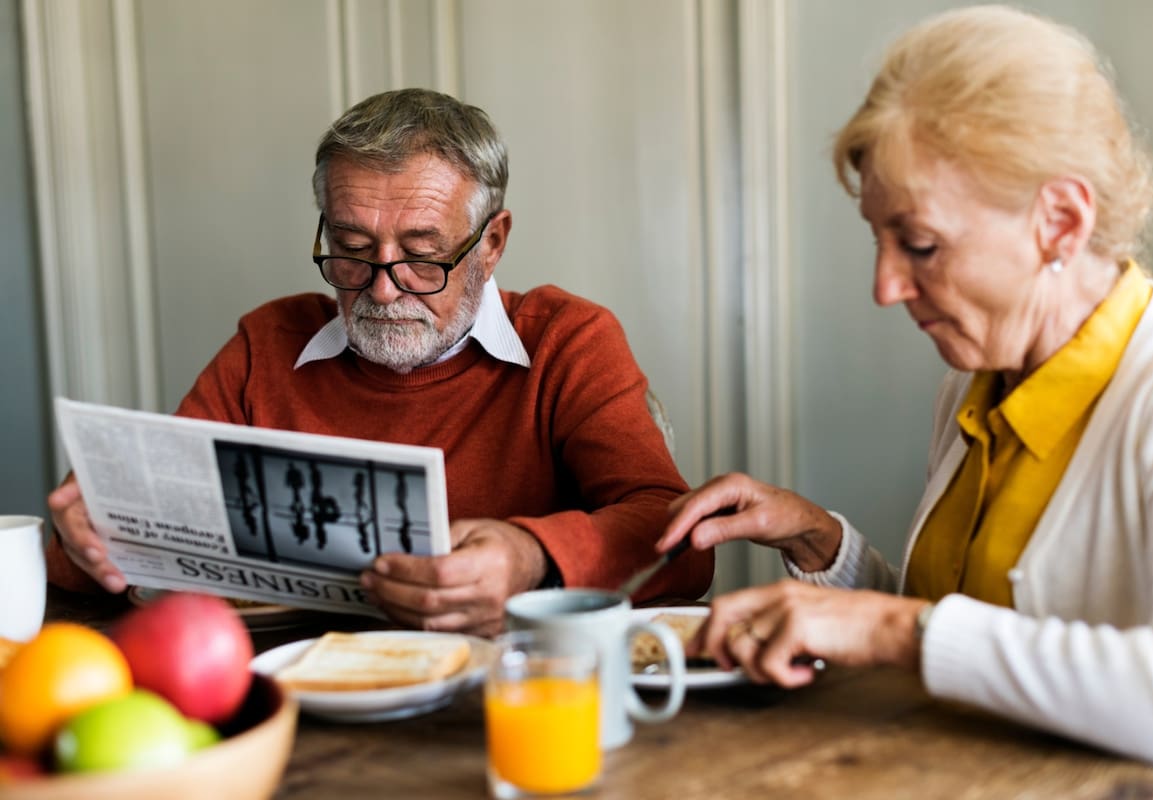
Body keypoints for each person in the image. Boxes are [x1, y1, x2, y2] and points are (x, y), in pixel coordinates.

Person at [658, 5, 1153, 771]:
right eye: (879, 239)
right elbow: (959, 635)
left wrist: (886, 630)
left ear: (1061, 222)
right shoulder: (973, 383)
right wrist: (822, 544)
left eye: (919, 243)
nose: (885, 285)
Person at [48, 88, 713, 635]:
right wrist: (99, 526)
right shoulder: (268, 342)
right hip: (293, 693)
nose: (382, 287)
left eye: (423, 254)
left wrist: (534, 556)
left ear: (492, 243)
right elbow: (145, 537)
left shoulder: (568, 340)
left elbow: (675, 535)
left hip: (513, 692)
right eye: (352, 247)